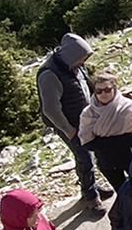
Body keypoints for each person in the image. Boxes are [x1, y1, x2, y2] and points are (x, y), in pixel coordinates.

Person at [37, 33, 107, 212]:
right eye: (82, 57)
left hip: (85, 119)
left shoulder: (74, 65)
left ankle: (91, 186)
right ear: (72, 55)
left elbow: (86, 87)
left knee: (91, 153)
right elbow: (50, 109)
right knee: (84, 157)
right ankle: (90, 197)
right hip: (69, 124)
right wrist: (68, 130)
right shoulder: (50, 74)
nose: (84, 61)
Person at [79, 73, 132, 193]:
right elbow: (87, 143)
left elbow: (131, 137)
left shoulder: (127, 107)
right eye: (99, 91)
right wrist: (116, 139)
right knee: (123, 192)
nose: (103, 94)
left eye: (107, 90)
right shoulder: (88, 113)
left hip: (130, 158)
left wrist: (101, 140)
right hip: (106, 163)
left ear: (114, 89)